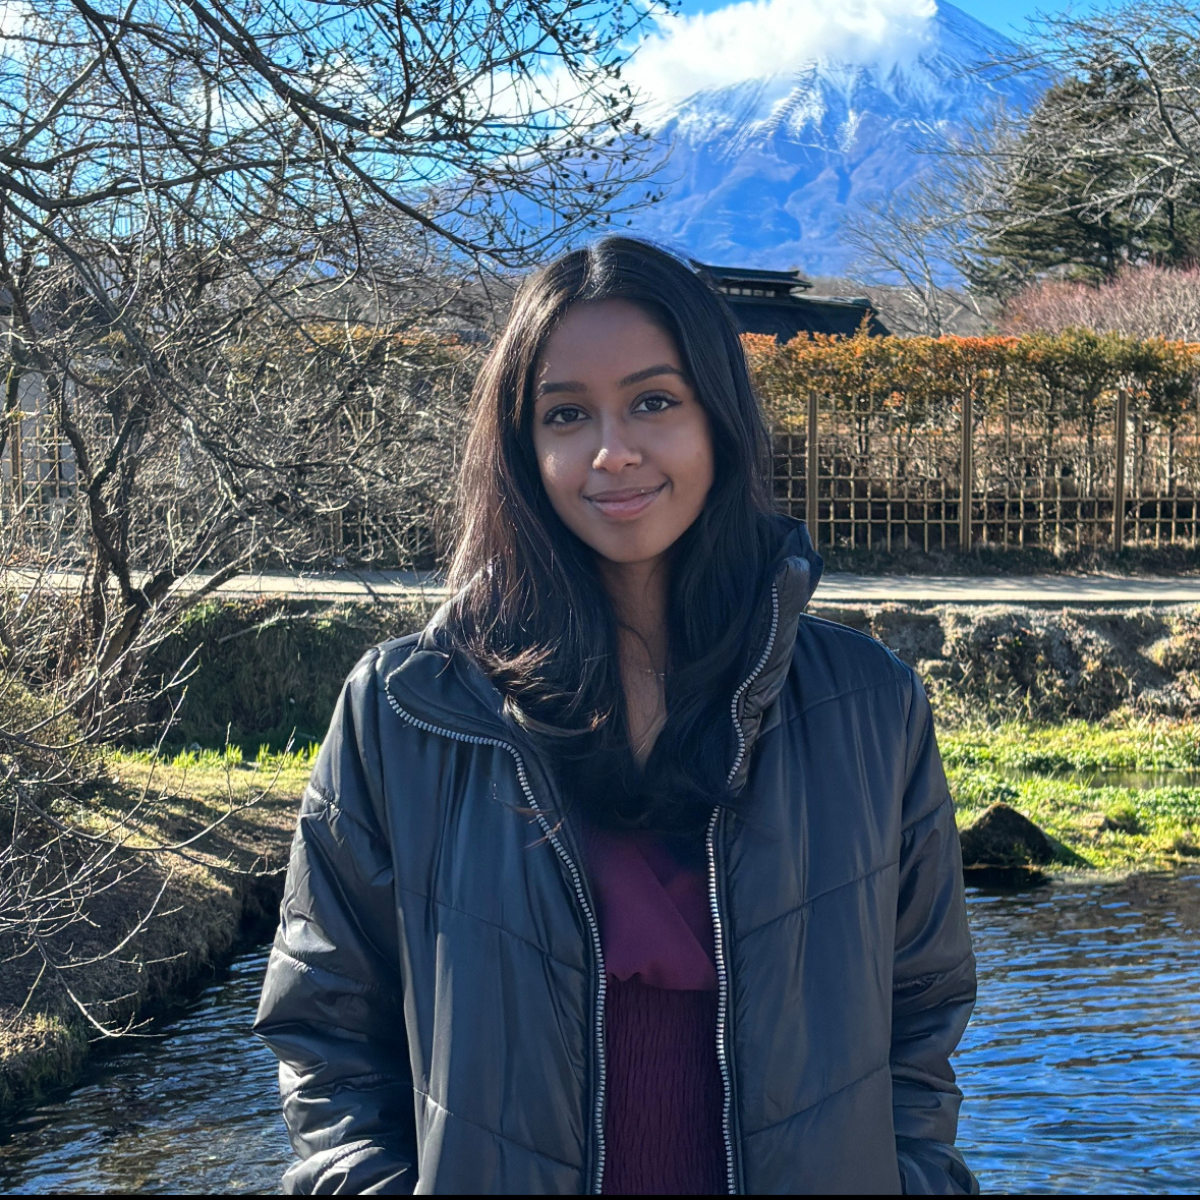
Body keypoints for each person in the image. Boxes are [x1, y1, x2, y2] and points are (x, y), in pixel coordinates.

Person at [254, 237, 978, 1195]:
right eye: (566, 414)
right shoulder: (407, 713)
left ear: (718, 415)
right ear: (523, 447)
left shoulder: (868, 707)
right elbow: (326, 1029)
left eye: (653, 401)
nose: (612, 450)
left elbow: (921, 1019)